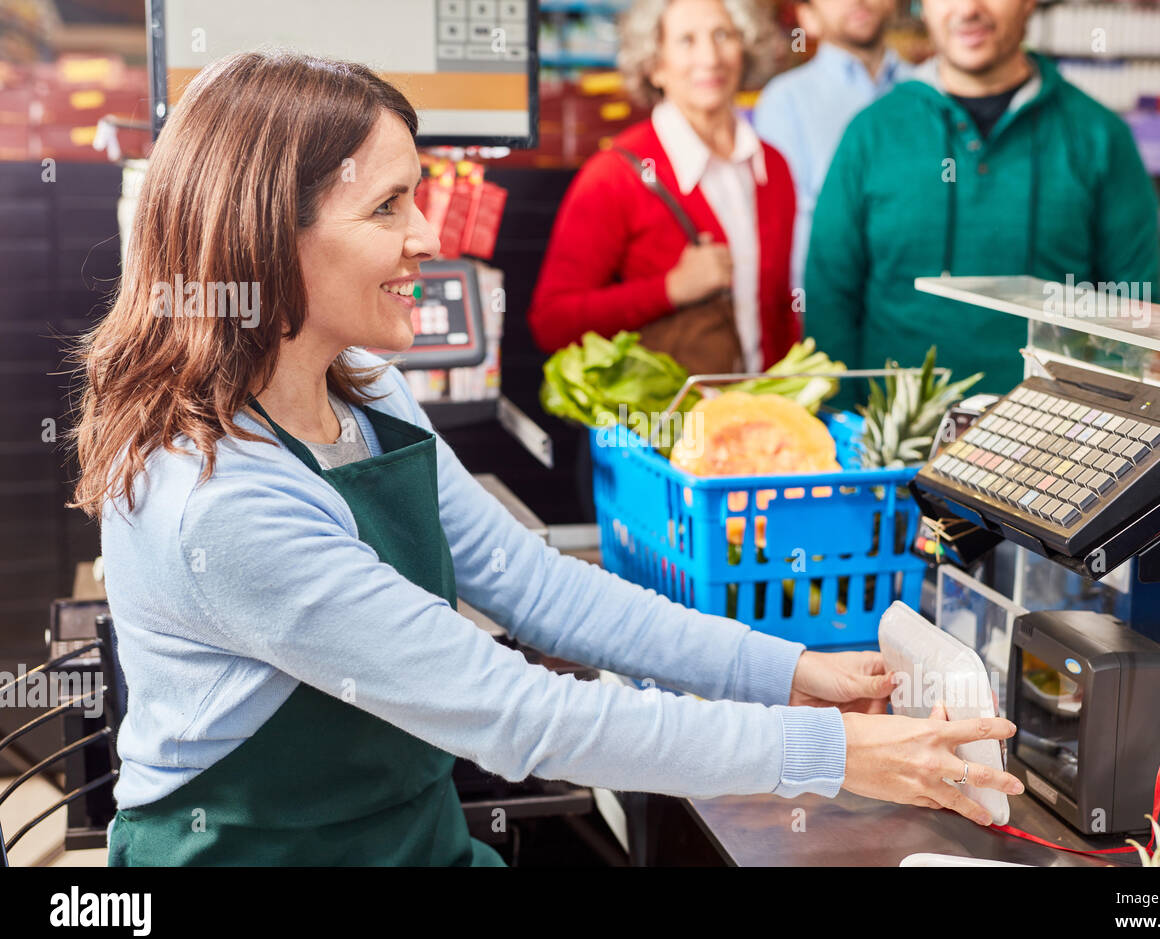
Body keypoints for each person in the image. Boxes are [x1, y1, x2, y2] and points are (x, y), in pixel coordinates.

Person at [69, 51, 1021, 866]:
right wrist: (835, 754)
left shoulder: (359, 382)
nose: (427, 239)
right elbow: (516, 712)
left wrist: (784, 667)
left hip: (414, 841)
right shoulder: (218, 499)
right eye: (388, 207)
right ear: (270, 232)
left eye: (423, 196)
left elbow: (533, 585)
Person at [804, 0, 1160, 409]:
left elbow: (1135, 306)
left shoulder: (1100, 136)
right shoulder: (871, 134)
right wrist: (838, 430)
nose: (968, 9)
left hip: (1055, 447)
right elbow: (829, 298)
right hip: (890, 447)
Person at [528, 0, 801, 375]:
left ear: (746, 49)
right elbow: (552, 322)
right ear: (655, 66)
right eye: (686, 40)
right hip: (659, 425)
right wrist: (671, 289)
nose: (710, 57)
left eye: (723, 35)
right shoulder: (612, 176)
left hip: (757, 419)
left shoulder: (773, 167)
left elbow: (780, 310)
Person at [753, 0, 911, 292]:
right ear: (807, 17)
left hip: (921, 302)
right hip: (830, 302)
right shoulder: (785, 101)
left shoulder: (929, 88)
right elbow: (788, 230)